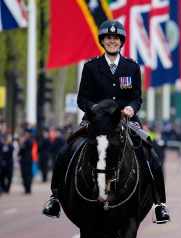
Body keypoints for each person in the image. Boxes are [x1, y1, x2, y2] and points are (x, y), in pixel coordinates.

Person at [42, 20, 170, 223]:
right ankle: (55, 196)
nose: (112, 41)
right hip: (95, 120)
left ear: (121, 42)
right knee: (66, 150)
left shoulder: (132, 67)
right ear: (102, 41)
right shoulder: (91, 67)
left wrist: (131, 108)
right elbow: (82, 98)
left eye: (116, 38)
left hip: (125, 120)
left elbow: (137, 97)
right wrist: (94, 110)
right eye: (108, 38)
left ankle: (159, 204)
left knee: (150, 153)